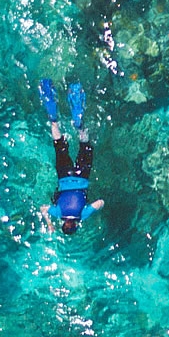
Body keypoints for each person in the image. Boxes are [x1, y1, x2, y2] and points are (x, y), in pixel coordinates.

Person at [38, 80, 105, 234]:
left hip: (82, 177)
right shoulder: (58, 213)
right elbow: (43, 208)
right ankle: (53, 120)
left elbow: (101, 202)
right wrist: (49, 224)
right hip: (64, 176)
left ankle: (80, 125)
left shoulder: (82, 215)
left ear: (75, 225)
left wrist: (92, 210)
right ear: (63, 224)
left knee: (85, 146)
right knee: (59, 145)